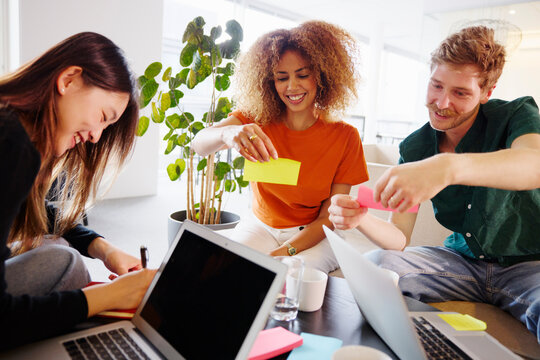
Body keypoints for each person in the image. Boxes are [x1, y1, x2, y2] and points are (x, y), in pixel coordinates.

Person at [329, 25, 540, 342]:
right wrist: (361, 219)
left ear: (486, 92)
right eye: (436, 85)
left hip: (529, 266)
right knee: (377, 268)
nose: (442, 103)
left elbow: (533, 165)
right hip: (459, 263)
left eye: (460, 93)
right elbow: (399, 238)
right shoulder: (416, 148)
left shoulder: (516, 115)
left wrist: (447, 166)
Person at [0, 32, 156, 350]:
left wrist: (103, 248)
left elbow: (35, 209)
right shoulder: (11, 147)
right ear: (69, 79)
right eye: (103, 117)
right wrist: (111, 295)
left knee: (57, 243)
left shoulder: (10, 124)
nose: (97, 137)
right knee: (67, 264)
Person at [192, 21, 368, 273]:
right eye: (281, 78)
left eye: (303, 75)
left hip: (317, 235)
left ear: (322, 75)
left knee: (289, 277)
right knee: (227, 272)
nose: (292, 87)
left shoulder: (345, 137)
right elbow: (199, 144)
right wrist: (229, 133)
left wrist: (283, 252)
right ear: (269, 82)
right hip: (261, 226)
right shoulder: (255, 119)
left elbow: (328, 218)